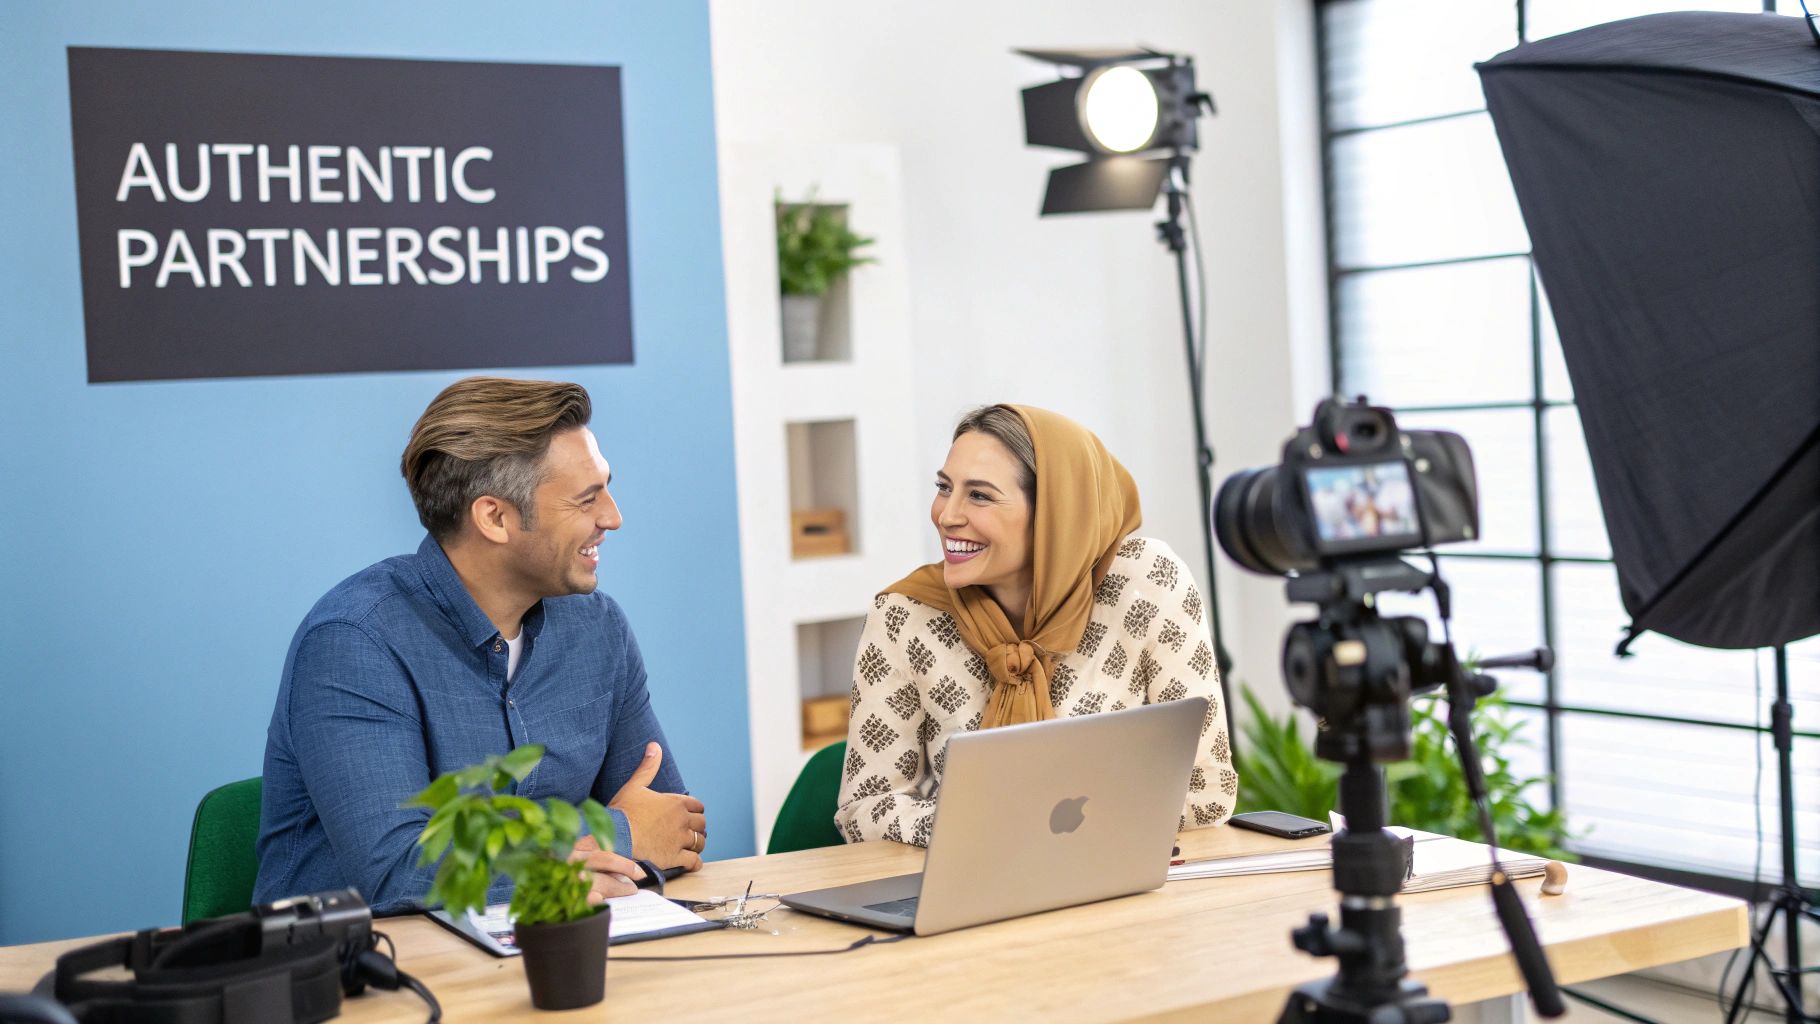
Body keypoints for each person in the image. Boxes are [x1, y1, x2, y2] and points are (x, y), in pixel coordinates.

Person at [255, 376, 707, 912]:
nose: (612, 517)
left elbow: (675, 829)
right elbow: (401, 872)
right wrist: (613, 833)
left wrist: (603, 846)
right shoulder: (355, 642)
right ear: (494, 517)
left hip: (552, 943)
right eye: (586, 499)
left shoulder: (598, 628)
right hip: (358, 974)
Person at [835, 404, 1236, 845]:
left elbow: (1208, 790)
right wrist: (975, 831)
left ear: (1055, 513)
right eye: (944, 488)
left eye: (980, 495)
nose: (947, 515)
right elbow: (865, 807)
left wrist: (1073, 832)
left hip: (1119, 883)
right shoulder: (905, 614)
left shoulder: (1146, 583)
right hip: (965, 883)